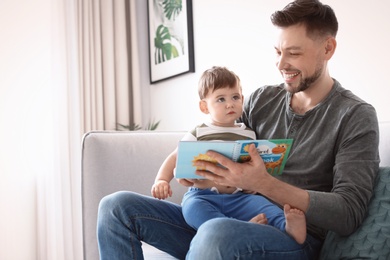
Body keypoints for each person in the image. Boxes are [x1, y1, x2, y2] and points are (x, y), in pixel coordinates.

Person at [97, 0, 380, 259]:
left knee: (216, 232)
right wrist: (200, 171)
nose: (281, 65)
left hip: (292, 236)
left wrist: (265, 184)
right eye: (278, 52)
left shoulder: (355, 116)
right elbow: (227, 145)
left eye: (293, 53)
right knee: (116, 207)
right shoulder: (262, 100)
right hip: (230, 218)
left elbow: (348, 212)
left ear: (328, 48)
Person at [151, 66, 307, 244]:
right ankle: (238, 227)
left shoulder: (248, 133)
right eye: (220, 99)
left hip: (240, 197)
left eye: (235, 97)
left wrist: (252, 187)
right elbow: (175, 157)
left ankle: (287, 227)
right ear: (204, 106)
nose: (230, 104)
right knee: (192, 209)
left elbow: (251, 167)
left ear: (242, 98)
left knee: (265, 207)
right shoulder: (199, 132)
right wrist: (162, 180)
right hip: (204, 196)